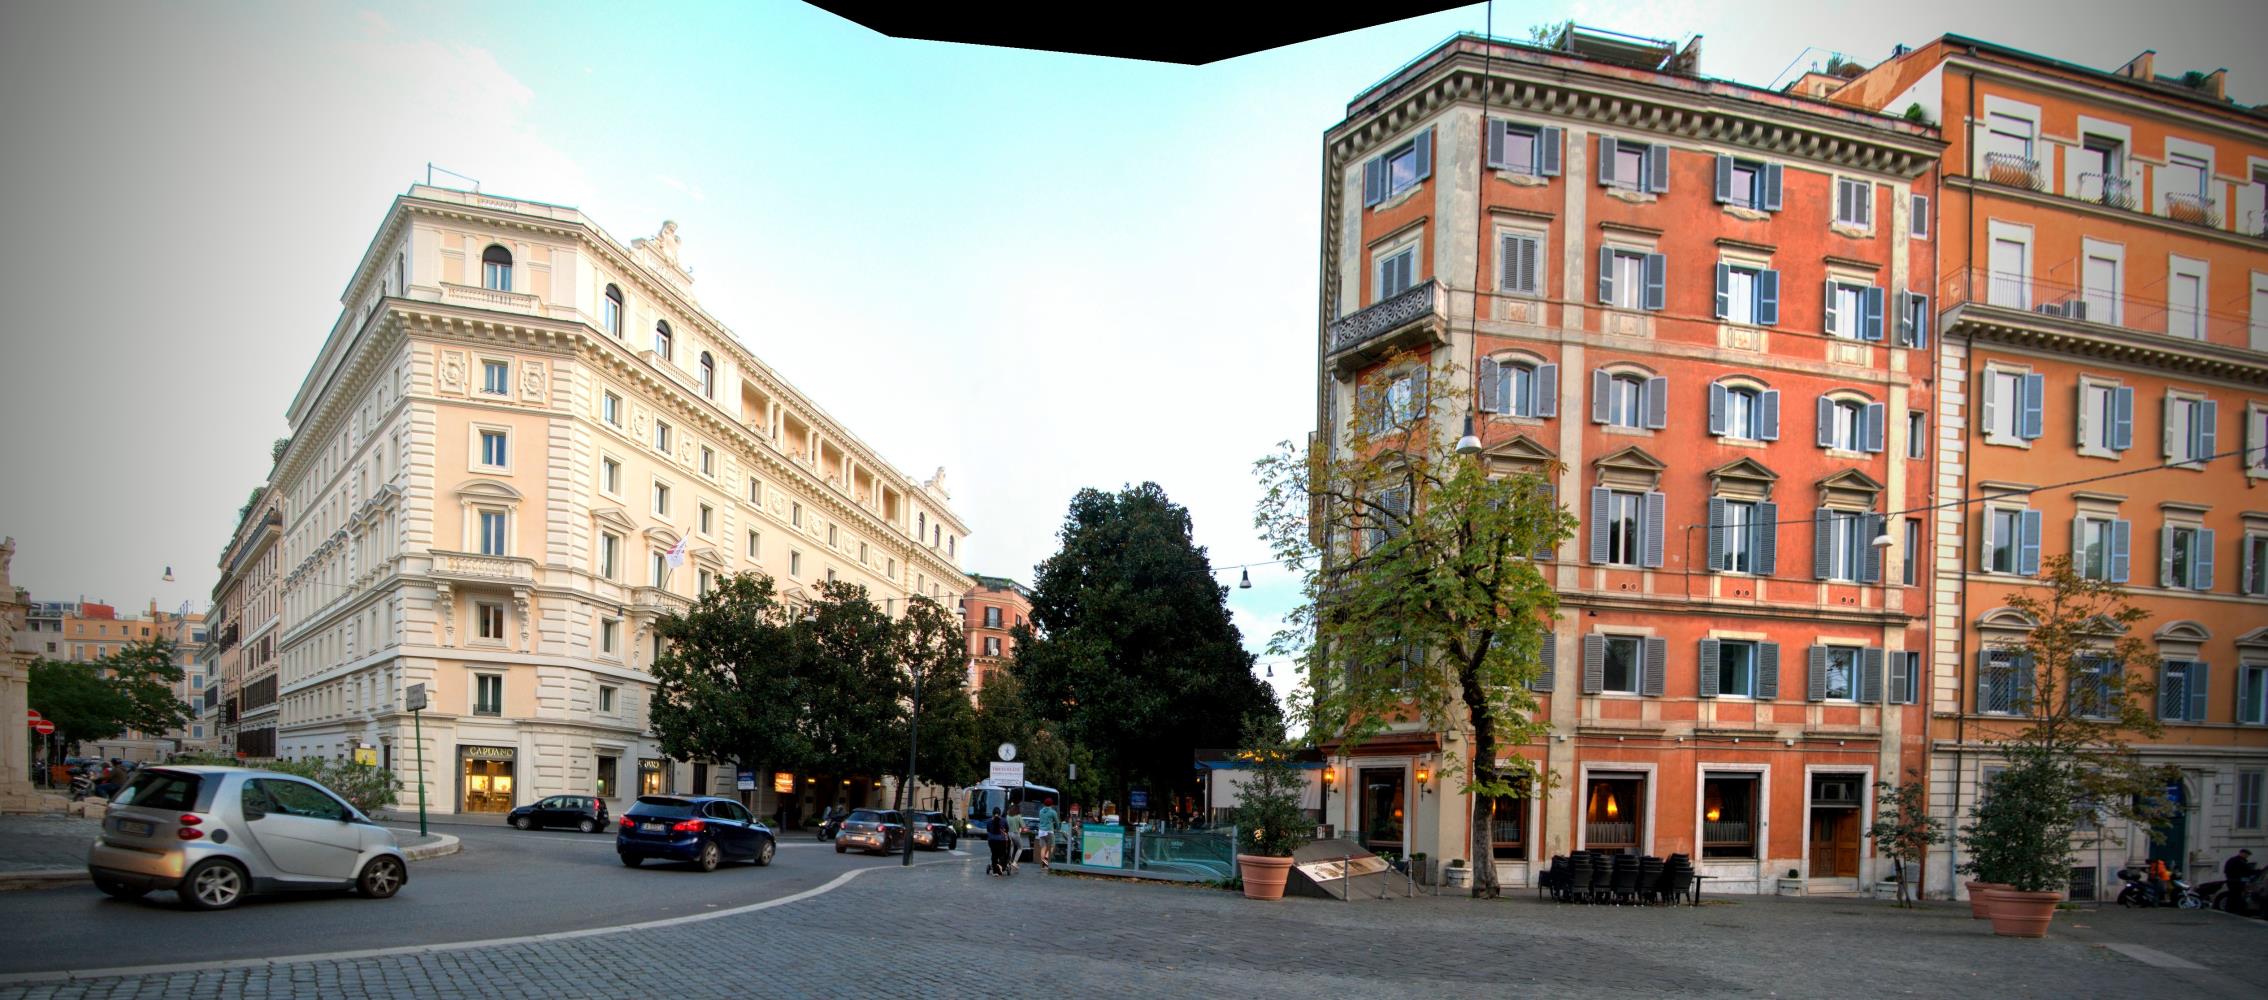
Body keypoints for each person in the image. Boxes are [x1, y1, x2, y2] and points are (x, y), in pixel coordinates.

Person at [2224, 849, 2257, 913]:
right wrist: (2257, 872)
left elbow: (2226, 871)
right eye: (2246, 854)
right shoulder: (2239, 861)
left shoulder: (2232, 860)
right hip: (2237, 881)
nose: (2247, 856)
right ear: (2242, 853)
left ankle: (2230, 909)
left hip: (2232, 881)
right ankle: (2234, 910)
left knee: (2232, 896)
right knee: (2236, 896)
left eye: (2248, 855)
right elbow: (2248, 871)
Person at [985, 807, 1011, 876]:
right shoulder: (1004, 820)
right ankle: (1001, 867)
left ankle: (995, 872)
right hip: (1001, 841)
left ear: (992, 813)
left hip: (992, 840)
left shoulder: (989, 821)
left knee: (994, 855)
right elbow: (1007, 830)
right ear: (1000, 813)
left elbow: (988, 830)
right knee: (1002, 854)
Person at [1034, 798, 1059, 870]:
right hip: (1049, 831)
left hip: (1041, 831)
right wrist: (1058, 828)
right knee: (1052, 846)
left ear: (1044, 804)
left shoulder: (1041, 811)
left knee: (1043, 847)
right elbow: (1057, 822)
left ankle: (1043, 865)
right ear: (1051, 804)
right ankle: (1046, 857)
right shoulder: (1053, 812)